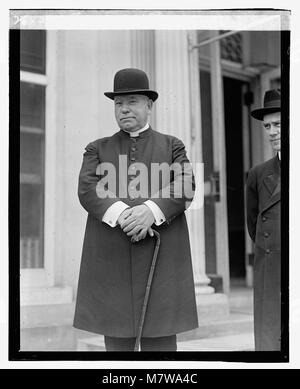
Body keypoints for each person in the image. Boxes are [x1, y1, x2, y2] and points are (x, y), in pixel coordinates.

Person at [73, 68, 198, 351]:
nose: (124, 109)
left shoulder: (172, 146)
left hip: (161, 262)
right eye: (118, 104)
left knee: (162, 351)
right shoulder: (97, 148)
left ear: (148, 105)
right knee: (117, 352)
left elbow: (186, 183)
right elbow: (87, 188)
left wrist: (150, 211)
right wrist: (125, 215)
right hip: (113, 266)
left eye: (132, 101)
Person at [246, 89, 281, 351]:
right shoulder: (259, 174)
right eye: (267, 125)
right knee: (270, 341)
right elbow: (253, 223)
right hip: (270, 268)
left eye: (279, 124)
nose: (272, 131)